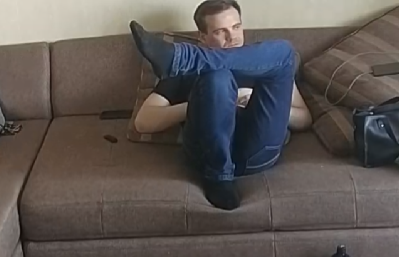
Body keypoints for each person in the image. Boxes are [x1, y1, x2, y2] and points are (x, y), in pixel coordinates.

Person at [129, 0, 313, 211]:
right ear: (202, 37)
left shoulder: (263, 62)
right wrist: (201, 104)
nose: (232, 37)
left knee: (285, 52)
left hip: (259, 149)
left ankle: (186, 57)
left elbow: (304, 119)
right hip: (208, 155)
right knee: (217, 76)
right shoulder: (184, 75)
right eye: (220, 31)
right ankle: (219, 177)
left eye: (236, 27)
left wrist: (252, 99)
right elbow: (143, 122)